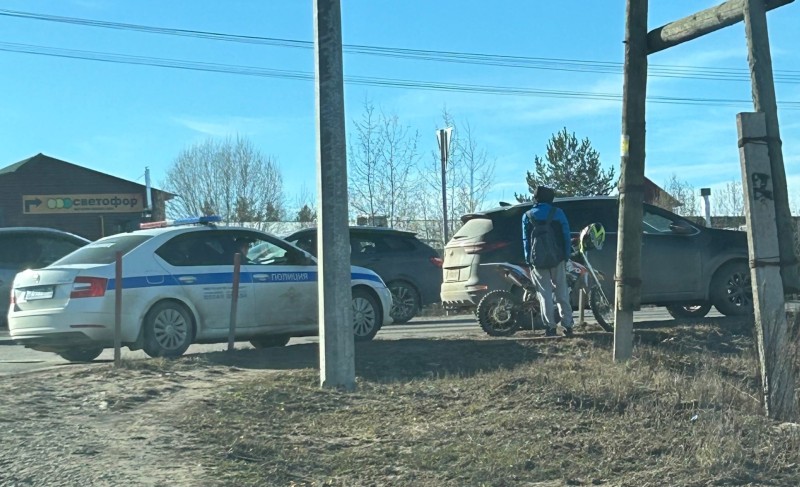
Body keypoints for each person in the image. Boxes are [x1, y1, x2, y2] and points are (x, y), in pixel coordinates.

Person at [521, 186, 574, 337]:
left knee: (544, 295)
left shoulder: (527, 216)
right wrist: (566, 255)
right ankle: (567, 325)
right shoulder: (558, 213)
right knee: (562, 292)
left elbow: (525, 240)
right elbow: (565, 234)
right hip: (557, 258)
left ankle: (550, 328)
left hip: (537, 260)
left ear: (535, 199)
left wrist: (528, 259)